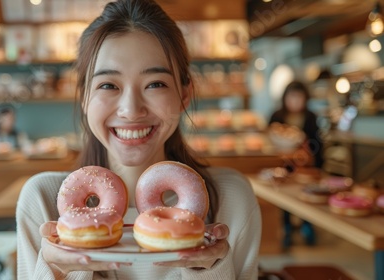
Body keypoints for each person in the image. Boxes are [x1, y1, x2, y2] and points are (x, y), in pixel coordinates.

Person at [16, 0, 261, 279]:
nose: (131, 110)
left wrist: (207, 270)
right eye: (108, 85)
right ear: (84, 96)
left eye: (155, 84)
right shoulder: (44, 202)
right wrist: (60, 271)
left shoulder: (231, 199)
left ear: (184, 95)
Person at [268, 80, 324, 247]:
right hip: (283, 166)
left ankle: (308, 228)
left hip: (305, 168)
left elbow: (318, 144)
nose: (295, 101)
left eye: (299, 97)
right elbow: (269, 140)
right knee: (285, 199)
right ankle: (286, 229)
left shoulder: (311, 117)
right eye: (292, 97)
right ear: (285, 98)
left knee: (306, 198)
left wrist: (311, 155)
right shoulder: (276, 116)